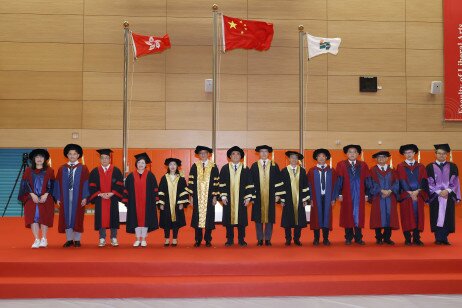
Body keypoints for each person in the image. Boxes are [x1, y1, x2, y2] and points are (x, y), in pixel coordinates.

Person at [53, 144, 90, 248]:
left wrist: (85, 197)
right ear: (67, 155)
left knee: (78, 216)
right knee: (67, 217)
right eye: (70, 154)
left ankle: (77, 240)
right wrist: (58, 198)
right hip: (65, 195)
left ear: (78, 155)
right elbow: (57, 184)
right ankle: (69, 239)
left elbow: (86, 183)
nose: (72, 156)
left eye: (74, 154)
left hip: (78, 196)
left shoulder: (83, 168)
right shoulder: (62, 169)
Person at [18, 149, 55, 248]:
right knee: (33, 218)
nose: (39, 159)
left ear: (45, 159)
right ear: (34, 159)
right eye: (37, 157)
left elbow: (52, 184)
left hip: (45, 198)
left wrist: (46, 194)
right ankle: (36, 239)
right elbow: (24, 184)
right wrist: (31, 194)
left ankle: (44, 238)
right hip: (31, 198)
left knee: (44, 218)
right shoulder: (28, 170)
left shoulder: (50, 170)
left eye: (41, 157)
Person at [336, 144, 372, 245]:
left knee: (358, 215)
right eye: (350, 152)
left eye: (354, 152)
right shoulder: (341, 164)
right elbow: (339, 180)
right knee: (347, 215)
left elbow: (367, 180)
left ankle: (358, 237)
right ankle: (348, 237)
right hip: (347, 193)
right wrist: (339, 193)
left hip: (360, 194)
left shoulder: (363, 165)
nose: (352, 154)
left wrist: (366, 194)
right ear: (346, 154)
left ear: (358, 154)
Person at [250, 145, 285, 246]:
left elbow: (279, 181)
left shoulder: (274, 165)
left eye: (266, 152)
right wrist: (252, 195)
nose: (264, 154)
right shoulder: (254, 166)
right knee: (258, 218)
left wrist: (278, 195)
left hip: (270, 196)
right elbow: (251, 182)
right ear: (259, 153)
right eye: (262, 152)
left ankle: (268, 239)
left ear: (269, 153)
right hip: (258, 196)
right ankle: (260, 239)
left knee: (269, 218)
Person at [219, 146, 254, 247]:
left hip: (241, 199)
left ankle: (241, 239)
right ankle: (229, 239)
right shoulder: (225, 168)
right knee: (228, 219)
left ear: (241, 156)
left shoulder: (245, 169)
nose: (235, 156)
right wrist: (223, 197)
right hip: (228, 199)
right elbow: (222, 184)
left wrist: (248, 198)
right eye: (233, 154)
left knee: (241, 220)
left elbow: (249, 185)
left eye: (238, 154)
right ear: (230, 156)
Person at [426, 144, 461, 245]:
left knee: (448, 216)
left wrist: (448, 190)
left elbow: (455, 181)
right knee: (436, 215)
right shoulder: (429, 167)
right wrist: (438, 191)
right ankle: (438, 238)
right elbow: (428, 182)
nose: (441, 155)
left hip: (448, 195)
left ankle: (444, 238)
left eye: (444, 154)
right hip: (435, 196)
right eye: (439, 153)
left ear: (447, 155)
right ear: (435, 154)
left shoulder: (453, 166)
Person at [88, 149, 124, 247]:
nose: (104, 160)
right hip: (100, 199)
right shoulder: (95, 172)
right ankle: (102, 238)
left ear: (110, 159)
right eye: (102, 158)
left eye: (106, 158)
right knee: (101, 218)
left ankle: (113, 237)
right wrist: (99, 194)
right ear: (100, 159)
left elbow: (120, 184)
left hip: (113, 198)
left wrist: (112, 193)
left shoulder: (116, 171)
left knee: (113, 217)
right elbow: (92, 185)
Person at [122, 152, 159, 247]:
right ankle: (137, 239)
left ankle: (144, 239)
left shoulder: (150, 176)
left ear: (145, 164)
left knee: (145, 220)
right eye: (139, 163)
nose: (141, 164)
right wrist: (126, 201)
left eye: (143, 163)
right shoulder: (131, 176)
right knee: (136, 221)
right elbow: (126, 190)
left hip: (147, 203)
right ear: (136, 164)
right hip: (134, 203)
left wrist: (155, 200)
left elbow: (155, 189)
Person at [186, 146, 219, 247]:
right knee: (197, 218)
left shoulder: (213, 166)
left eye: (205, 153)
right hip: (197, 197)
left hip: (209, 197)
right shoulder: (195, 166)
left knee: (209, 218)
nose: (203, 155)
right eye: (201, 153)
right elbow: (191, 182)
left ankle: (208, 240)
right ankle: (198, 240)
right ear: (198, 155)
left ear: (209, 154)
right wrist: (190, 196)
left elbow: (216, 182)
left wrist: (215, 196)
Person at [396, 144, 428, 246]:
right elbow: (401, 180)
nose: (408, 154)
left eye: (410, 152)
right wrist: (409, 192)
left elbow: (424, 180)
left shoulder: (421, 166)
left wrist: (417, 191)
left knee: (418, 216)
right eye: (406, 153)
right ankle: (407, 238)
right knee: (406, 216)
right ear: (403, 154)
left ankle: (416, 238)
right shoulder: (400, 166)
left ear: (414, 153)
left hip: (418, 195)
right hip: (406, 196)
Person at [307, 149, 339, 246]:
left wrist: (333, 198)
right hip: (316, 198)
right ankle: (316, 238)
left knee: (327, 217)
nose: (321, 158)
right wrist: (310, 199)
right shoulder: (312, 171)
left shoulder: (331, 171)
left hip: (328, 197)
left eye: (323, 156)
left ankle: (325, 238)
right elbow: (308, 186)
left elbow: (335, 185)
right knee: (316, 217)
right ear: (316, 158)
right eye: (319, 156)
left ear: (326, 158)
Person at [368, 151, 400, 245]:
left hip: (390, 197)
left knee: (389, 216)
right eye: (379, 157)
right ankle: (378, 237)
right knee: (378, 216)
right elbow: (370, 183)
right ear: (376, 159)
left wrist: (390, 191)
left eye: (383, 157)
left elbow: (396, 182)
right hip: (378, 196)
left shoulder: (392, 170)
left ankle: (387, 237)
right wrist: (381, 190)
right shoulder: (372, 170)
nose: (381, 159)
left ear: (387, 159)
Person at [280, 151, 309, 246]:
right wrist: (282, 199)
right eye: (292, 157)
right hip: (288, 199)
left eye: (296, 158)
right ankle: (288, 239)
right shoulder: (284, 171)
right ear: (289, 159)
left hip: (299, 198)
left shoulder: (302, 171)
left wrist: (305, 199)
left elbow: (305, 185)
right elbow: (281, 186)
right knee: (287, 220)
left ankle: (297, 238)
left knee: (299, 220)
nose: (294, 159)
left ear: (298, 160)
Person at [158, 158, 189, 247]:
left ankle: (175, 238)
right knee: (166, 221)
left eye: (174, 164)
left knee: (176, 221)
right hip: (166, 204)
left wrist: (181, 203)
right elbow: (161, 191)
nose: (172, 166)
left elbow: (184, 191)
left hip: (177, 203)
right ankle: (167, 238)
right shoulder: (164, 178)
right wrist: (161, 203)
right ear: (168, 166)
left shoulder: (181, 179)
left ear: (177, 167)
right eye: (170, 164)